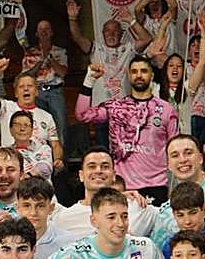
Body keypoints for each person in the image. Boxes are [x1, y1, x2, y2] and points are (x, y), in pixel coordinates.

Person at [76, 54, 179, 201]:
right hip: (121, 186)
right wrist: (89, 80)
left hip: (156, 186)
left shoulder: (167, 109)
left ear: (152, 75)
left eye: (144, 71)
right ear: (128, 76)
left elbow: (175, 149)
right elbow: (82, 115)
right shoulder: (115, 107)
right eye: (134, 71)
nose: (139, 75)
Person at [52, 147, 158, 238]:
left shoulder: (139, 208)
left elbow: (167, 214)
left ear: (114, 175)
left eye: (105, 166)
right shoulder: (63, 218)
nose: (98, 170)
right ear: (81, 175)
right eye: (92, 166)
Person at [66, 0, 151, 109]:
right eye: (107, 31)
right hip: (101, 108)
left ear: (121, 34)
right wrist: (72, 19)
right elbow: (77, 37)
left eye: (115, 31)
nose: (111, 34)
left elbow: (146, 39)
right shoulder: (96, 48)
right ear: (103, 34)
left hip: (124, 108)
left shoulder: (128, 48)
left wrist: (131, 20)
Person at [0, 58, 63, 169]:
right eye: (21, 87)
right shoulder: (6, 108)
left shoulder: (47, 116)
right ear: (16, 93)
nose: (26, 89)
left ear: (37, 92)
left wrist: (58, 159)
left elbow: (55, 144)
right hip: (11, 168)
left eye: (30, 86)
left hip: (38, 170)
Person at [21, 19, 69, 151]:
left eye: (46, 29)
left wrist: (49, 57)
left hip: (55, 92)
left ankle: (60, 161)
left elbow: (63, 72)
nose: (44, 32)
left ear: (52, 33)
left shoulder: (60, 51)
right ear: (36, 34)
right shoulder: (30, 53)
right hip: (37, 92)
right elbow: (25, 76)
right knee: (38, 127)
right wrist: (40, 62)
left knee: (60, 126)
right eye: (41, 29)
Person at [134, 0, 178, 65]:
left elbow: (174, 5)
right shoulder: (146, 20)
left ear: (162, 5)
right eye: (151, 3)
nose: (154, 4)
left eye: (157, 2)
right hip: (150, 62)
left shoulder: (168, 18)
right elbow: (137, 9)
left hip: (168, 61)